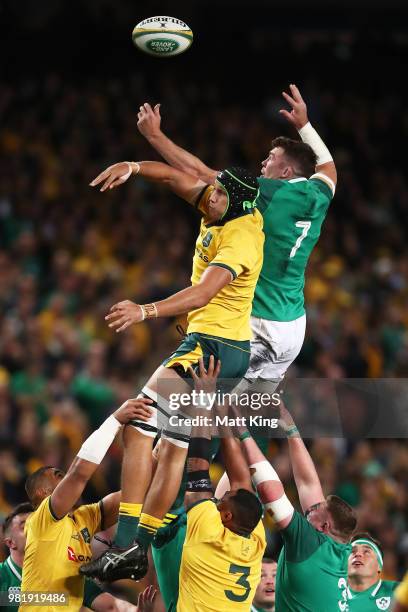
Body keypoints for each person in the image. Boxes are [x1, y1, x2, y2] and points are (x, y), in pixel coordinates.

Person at [81, 160, 264, 582]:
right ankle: (137, 549)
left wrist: (146, 310)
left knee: (140, 422)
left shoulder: (240, 240)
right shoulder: (228, 205)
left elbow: (204, 291)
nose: (209, 196)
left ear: (232, 203)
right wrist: (133, 166)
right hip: (222, 347)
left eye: (217, 193)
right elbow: (174, 176)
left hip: (210, 347)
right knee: (174, 449)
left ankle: (127, 541)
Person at [136, 84, 337, 395]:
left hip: (258, 322)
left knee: (207, 408)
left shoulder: (270, 192)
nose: (262, 164)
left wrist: (154, 137)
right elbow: (328, 166)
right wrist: (304, 125)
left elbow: (200, 173)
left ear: (285, 171)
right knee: (251, 415)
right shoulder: (319, 193)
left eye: (270, 159)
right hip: (293, 325)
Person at [19, 397, 153, 611]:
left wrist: (166, 443)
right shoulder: (41, 520)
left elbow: (134, 492)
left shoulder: (84, 518)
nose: (65, 478)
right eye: (58, 475)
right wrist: (114, 420)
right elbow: (79, 473)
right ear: (43, 493)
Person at [236, 405, 357, 612]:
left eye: (318, 508)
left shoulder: (309, 543)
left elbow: (268, 490)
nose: (311, 507)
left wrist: (243, 432)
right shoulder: (342, 549)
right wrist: (291, 429)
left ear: (324, 526)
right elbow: (308, 484)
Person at [0, 503, 155, 612]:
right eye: (24, 526)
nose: (35, 530)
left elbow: (112, 605)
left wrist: (135, 610)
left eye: (36, 524)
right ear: (10, 543)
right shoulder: (2, 576)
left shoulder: (67, 575)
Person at [347, 533, 399, 611]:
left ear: (379, 566)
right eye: (352, 551)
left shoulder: (397, 591)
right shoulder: (328, 596)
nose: (357, 554)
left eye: (366, 552)